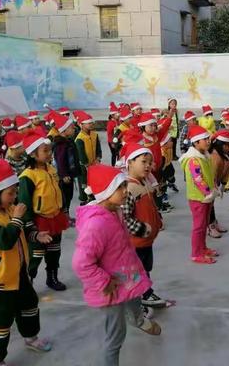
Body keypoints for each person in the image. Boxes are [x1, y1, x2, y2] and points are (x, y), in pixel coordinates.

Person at [72, 164, 161, 366]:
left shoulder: (114, 210)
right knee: (115, 336)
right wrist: (103, 282)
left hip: (126, 275)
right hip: (110, 288)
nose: (125, 191)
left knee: (135, 299)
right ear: (105, 193)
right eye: (120, 188)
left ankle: (139, 320)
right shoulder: (96, 224)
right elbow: (81, 263)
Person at [0, 160, 53, 365]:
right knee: (1, 322)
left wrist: (36, 234)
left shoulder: (8, 209)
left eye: (14, 191)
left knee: (29, 306)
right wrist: (17, 219)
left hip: (19, 272)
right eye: (10, 193)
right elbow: (6, 240)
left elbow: (23, 229)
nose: (15, 197)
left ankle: (31, 337)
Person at [18, 131, 69, 291]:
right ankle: (28, 281)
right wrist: (30, 227)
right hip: (39, 220)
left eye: (49, 150)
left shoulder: (51, 169)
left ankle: (52, 277)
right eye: (45, 151)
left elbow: (59, 191)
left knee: (55, 250)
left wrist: (64, 209)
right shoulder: (28, 176)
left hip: (55, 216)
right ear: (33, 154)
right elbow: (24, 202)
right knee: (36, 254)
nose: (49, 154)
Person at [121, 143, 165, 309]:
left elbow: (151, 207)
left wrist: (157, 221)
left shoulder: (144, 182)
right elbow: (125, 219)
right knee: (135, 271)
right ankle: (138, 299)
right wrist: (143, 230)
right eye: (143, 161)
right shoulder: (128, 188)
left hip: (146, 240)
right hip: (135, 241)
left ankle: (145, 293)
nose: (148, 166)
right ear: (130, 162)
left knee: (145, 268)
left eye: (149, 162)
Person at [179, 125, 218, 264]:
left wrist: (214, 187)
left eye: (208, 138)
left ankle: (203, 248)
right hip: (198, 198)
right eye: (204, 139)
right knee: (199, 226)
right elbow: (198, 179)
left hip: (206, 197)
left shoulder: (204, 156)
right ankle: (196, 253)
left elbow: (209, 174)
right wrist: (208, 193)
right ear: (196, 143)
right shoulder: (193, 159)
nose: (208, 141)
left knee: (204, 224)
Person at [50, 111, 80, 227]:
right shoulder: (61, 145)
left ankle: (66, 217)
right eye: (71, 128)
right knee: (64, 198)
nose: (74, 129)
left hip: (70, 175)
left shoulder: (68, 142)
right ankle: (64, 219)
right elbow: (60, 161)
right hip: (65, 177)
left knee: (69, 196)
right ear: (63, 130)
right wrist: (63, 175)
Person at [208, 129, 229, 238]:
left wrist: (223, 184)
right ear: (222, 145)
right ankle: (210, 226)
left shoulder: (224, 155)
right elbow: (211, 176)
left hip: (215, 183)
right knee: (209, 205)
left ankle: (213, 222)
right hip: (208, 186)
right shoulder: (214, 156)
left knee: (211, 205)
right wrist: (214, 187)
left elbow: (226, 172)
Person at [74, 110, 102, 205]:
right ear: (81, 125)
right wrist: (86, 164)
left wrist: (98, 157)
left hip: (95, 163)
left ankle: (93, 197)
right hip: (83, 166)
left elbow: (98, 147)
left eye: (91, 123)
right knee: (84, 182)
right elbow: (81, 154)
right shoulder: (79, 138)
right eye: (88, 123)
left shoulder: (95, 135)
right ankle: (84, 199)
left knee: (94, 181)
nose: (90, 125)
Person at [107, 102, 120, 166]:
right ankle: (113, 166)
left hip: (117, 141)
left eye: (118, 113)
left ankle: (117, 165)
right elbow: (109, 134)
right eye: (116, 114)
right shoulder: (110, 123)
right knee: (114, 155)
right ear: (112, 115)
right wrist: (112, 143)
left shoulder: (118, 121)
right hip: (112, 142)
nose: (118, 115)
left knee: (118, 154)